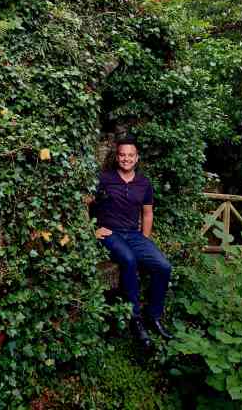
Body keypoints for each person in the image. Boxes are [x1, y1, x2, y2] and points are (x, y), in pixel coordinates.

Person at [91, 137, 172, 347]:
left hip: (133, 234)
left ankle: (154, 316)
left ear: (137, 158)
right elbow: (84, 202)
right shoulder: (104, 179)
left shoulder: (144, 183)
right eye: (122, 155)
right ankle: (135, 319)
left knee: (163, 267)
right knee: (128, 260)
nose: (126, 159)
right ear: (117, 157)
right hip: (110, 232)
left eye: (130, 155)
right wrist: (91, 229)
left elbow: (147, 213)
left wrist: (145, 239)